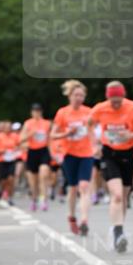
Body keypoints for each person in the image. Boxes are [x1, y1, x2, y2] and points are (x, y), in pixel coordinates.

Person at [88, 82, 133, 253]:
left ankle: (117, 228)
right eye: (112, 100)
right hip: (109, 154)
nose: (115, 104)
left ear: (123, 96)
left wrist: (131, 134)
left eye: (118, 100)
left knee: (125, 195)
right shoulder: (100, 108)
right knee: (117, 194)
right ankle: (119, 233)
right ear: (107, 97)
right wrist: (94, 144)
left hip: (128, 153)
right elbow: (89, 125)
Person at [50, 80, 94, 234]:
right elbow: (53, 135)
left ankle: (84, 220)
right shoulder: (63, 113)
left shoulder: (89, 112)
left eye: (81, 95)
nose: (79, 98)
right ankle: (72, 217)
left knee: (84, 186)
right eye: (76, 95)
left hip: (87, 153)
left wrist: (96, 145)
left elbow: (94, 131)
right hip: (69, 154)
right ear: (69, 96)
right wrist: (66, 133)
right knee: (73, 188)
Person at [20, 103, 52, 211]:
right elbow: (21, 139)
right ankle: (34, 199)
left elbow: (51, 138)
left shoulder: (47, 123)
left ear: (41, 112)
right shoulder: (28, 123)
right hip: (32, 152)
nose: (36, 113)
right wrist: (30, 134)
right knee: (33, 181)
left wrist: (53, 151)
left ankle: (44, 199)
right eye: (34, 111)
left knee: (43, 175)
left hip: (44, 151)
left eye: (38, 111)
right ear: (31, 112)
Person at [0, 120, 21, 204]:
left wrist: (17, 149)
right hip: (1, 160)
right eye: (6, 127)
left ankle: (10, 197)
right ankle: (1, 190)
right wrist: (0, 150)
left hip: (12, 160)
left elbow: (20, 145)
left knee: (11, 179)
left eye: (9, 127)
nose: (8, 129)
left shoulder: (15, 136)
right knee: (3, 180)